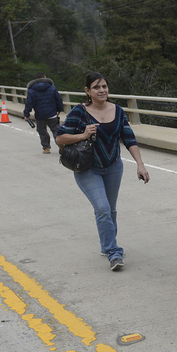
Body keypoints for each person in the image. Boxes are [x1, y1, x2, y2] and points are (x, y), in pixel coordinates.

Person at [56, 72, 149, 271]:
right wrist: (83, 134)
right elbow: (60, 138)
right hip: (88, 169)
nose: (102, 90)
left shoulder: (117, 110)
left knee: (110, 209)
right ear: (87, 91)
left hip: (114, 167)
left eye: (104, 86)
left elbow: (129, 138)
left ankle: (107, 244)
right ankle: (113, 252)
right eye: (96, 87)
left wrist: (140, 164)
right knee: (102, 208)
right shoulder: (79, 112)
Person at [23, 72, 65, 154]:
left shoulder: (31, 90)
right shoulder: (52, 88)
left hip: (40, 115)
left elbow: (29, 103)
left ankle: (46, 147)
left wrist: (26, 114)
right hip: (52, 113)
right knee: (56, 130)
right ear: (44, 77)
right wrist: (59, 110)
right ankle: (60, 143)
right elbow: (59, 100)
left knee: (42, 130)